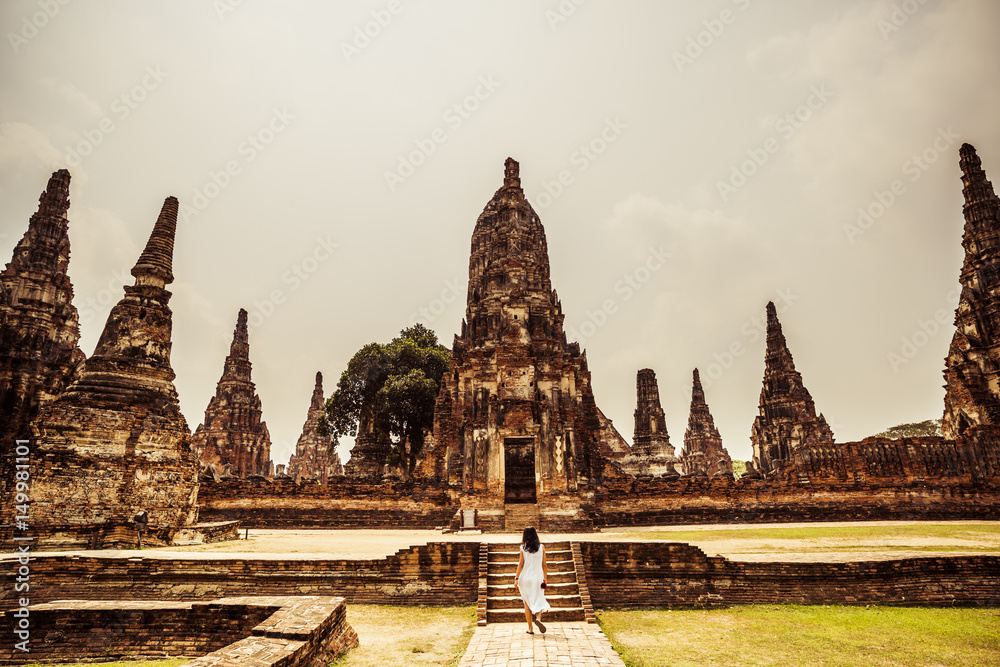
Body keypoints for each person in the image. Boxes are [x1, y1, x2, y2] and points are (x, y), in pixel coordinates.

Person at [513, 525, 550, 634]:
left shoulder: (522, 548)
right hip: (538, 578)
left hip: (525, 578)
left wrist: (516, 578)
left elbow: (520, 564)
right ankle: (538, 619)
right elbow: (544, 565)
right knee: (539, 599)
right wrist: (545, 579)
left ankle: (530, 628)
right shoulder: (542, 547)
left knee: (527, 602)